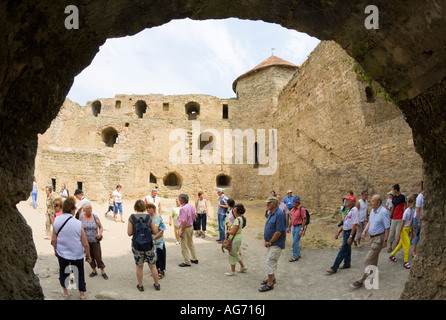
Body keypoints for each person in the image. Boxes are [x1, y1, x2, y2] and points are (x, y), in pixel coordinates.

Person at [51, 197, 91, 300]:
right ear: (72, 209)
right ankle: (81, 294)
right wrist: (88, 255)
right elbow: (85, 243)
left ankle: (66, 293)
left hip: (62, 252)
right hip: (76, 253)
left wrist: (55, 250)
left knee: (63, 272)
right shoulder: (78, 223)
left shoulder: (56, 221)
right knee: (79, 272)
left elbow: (54, 240)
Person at [352, 194, 390, 287]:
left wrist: (385, 241)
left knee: (368, 259)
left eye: (373, 201)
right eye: (371, 200)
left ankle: (362, 279)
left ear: (378, 202)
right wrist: (364, 231)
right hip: (372, 238)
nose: (371, 202)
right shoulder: (373, 211)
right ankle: (373, 272)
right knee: (374, 257)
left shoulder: (384, 212)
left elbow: (387, 228)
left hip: (379, 238)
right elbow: (370, 221)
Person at [127, 199, 160, 291]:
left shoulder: (132, 218)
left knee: (139, 266)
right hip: (149, 245)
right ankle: (157, 284)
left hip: (137, 246)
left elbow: (129, 233)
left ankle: (140, 286)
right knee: (152, 265)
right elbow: (154, 231)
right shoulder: (148, 217)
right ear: (144, 207)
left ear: (135, 207)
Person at [259, 196, 286, 292]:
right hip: (271, 243)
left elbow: (279, 232)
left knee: (270, 262)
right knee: (270, 260)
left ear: (274, 204)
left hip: (276, 244)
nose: (266, 205)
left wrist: (269, 242)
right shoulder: (271, 213)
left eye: (268, 203)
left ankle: (270, 284)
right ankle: (272, 278)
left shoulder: (279, 214)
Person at [327, 195, 359, 274]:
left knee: (342, 250)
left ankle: (334, 267)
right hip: (346, 232)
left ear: (352, 202)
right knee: (347, 248)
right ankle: (347, 264)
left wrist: (351, 237)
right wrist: (339, 231)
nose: (346, 202)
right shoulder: (349, 210)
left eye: (348, 200)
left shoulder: (354, 210)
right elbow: (345, 222)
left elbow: (355, 224)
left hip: (350, 232)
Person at [80, 201, 108, 280]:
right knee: (89, 257)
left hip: (95, 241)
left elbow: (101, 227)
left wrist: (99, 233)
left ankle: (103, 271)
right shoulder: (81, 217)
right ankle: (94, 270)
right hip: (86, 242)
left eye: (90, 208)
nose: (89, 210)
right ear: (84, 210)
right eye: (87, 209)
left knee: (98, 256)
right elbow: (79, 228)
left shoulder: (95, 217)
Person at [389, 194, 416, 269]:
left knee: (401, 244)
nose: (414, 205)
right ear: (410, 204)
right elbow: (402, 224)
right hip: (404, 229)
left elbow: (412, 221)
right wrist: (398, 235)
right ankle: (406, 261)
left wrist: (413, 230)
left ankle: (392, 255)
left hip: (407, 229)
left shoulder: (413, 211)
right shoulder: (406, 212)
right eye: (414, 204)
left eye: (415, 204)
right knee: (407, 244)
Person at [224, 204, 247, 276]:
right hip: (238, 238)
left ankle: (232, 271)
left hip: (235, 238)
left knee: (232, 254)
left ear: (238, 211)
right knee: (236, 253)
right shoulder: (241, 218)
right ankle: (243, 266)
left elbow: (233, 232)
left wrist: (228, 231)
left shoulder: (237, 220)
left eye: (234, 210)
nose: (233, 211)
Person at [147, 202, 167, 279]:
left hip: (159, 242)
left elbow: (162, 230)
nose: (148, 209)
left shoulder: (158, 218)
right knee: (154, 256)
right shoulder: (147, 218)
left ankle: (162, 270)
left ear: (154, 209)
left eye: (150, 208)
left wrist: (155, 237)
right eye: (147, 208)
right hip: (151, 242)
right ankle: (156, 270)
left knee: (161, 256)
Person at [178, 194, 198, 267]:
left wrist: (182, 231)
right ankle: (194, 258)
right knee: (190, 243)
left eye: (179, 199)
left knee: (184, 245)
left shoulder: (183, 209)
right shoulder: (190, 206)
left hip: (185, 228)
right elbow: (194, 216)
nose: (179, 200)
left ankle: (187, 261)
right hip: (191, 226)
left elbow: (184, 221)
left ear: (182, 200)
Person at [388, 184, 407, 253]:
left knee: (397, 233)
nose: (392, 191)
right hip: (394, 217)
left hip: (400, 217)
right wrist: (390, 215)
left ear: (396, 190)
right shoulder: (394, 197)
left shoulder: (403, 196)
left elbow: (405, 205)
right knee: (391, 233)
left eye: (393, 190)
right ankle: (390, 246)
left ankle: (397, 246)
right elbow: (393, 206)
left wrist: (404, 216)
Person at [287, 196, 306, 262]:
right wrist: (289, 227)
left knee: (294, 242)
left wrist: (301, 229)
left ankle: (295, 256)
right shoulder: (294, 209)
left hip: (298, 227)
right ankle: (298, 254)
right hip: (294, 227)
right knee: (296, 242)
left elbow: (304, 219)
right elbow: (293, 219)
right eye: (293, 202)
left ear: (297, 202)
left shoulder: (301, 209)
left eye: (294, 202)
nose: (293, 203)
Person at [412, 182, 424, 257]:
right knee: (418, 234)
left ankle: (418, 250)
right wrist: (419, 221)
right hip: (418, 218)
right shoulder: (420, 197)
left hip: (421, 218)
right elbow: (417, 210)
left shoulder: (424, 196)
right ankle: (413, 250)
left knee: (420, 234)